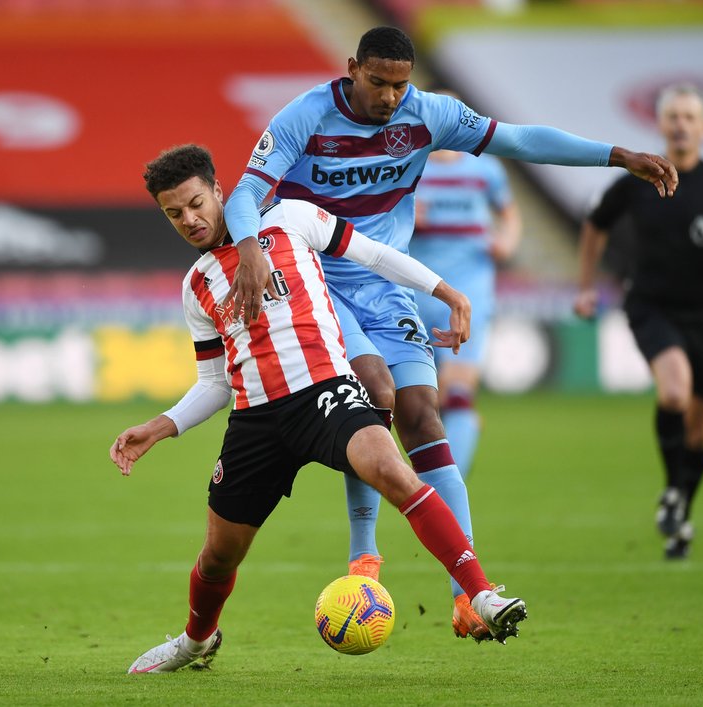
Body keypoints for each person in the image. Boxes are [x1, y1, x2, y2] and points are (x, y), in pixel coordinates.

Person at [221, 26, 678, 640]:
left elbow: (520, 140)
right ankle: (365, 557)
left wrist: (618, 156)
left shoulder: (430, 115)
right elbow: (245, 193)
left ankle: (468, 599)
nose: (388, 97)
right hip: (316, 281)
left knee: (424, 416)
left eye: (399, 85)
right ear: (353, 68)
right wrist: (250, 249)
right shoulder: (305, 116)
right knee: (374, 390)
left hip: (384, 282)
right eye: (377, 82)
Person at [110, 144, 526, 674]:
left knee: (394, 472)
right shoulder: (197, 287)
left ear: (219, 191)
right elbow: (214, 382)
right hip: (256, 420)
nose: (189, 219)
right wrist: (161, 426)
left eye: (196, 203)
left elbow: (373, 254)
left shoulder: (290, 218)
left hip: (326, 393)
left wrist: (446, 291)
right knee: (219, 554)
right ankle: (195, 642)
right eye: (174, 213)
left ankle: (480, 595)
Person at [573, 83, 703, 559]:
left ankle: (680, 507)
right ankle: (675, 496)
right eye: (673, 116)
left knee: (701, 428)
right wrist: (586, 286)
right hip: (651, 305)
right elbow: (595, 224)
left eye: (691, 117)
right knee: (674, 391)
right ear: (661, 124)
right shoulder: (638, 179)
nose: (681, 125)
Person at [409, 113, 522, 479]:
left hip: (469, 286)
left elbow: (510, 214)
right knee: (418, 403)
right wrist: (407, 214)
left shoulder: (485, 168)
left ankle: (447, 486)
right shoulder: (408, 165)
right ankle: (460, 437)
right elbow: (379, 218)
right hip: (415, 288)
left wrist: (507, 241)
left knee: (457, 395)